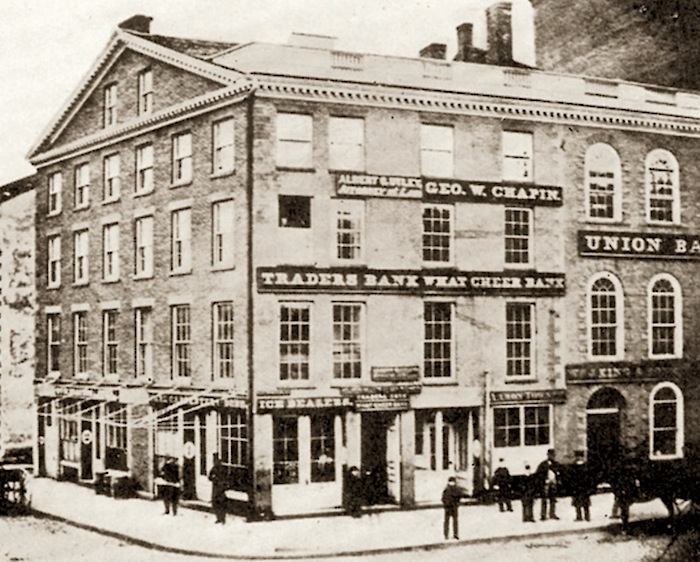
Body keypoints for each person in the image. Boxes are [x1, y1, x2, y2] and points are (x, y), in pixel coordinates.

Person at [536, 448, 560, 520]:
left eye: (553, 455)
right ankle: (543, 515)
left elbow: (559, 473)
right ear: (548, 455)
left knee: (553, 499)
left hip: (553, 483)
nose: (552, 456)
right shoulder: (543, 464)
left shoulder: (556, 464)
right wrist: (543, 481)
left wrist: (557, 480)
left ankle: (552, 513)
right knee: (544, 500)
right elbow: (539, 474)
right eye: (551, 455)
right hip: (545, 484)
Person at [570, 451, 592, 522]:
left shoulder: (573, 465)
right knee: (585, 502)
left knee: (577, 502)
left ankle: (579, 516)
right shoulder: (586, 465)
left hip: (576, 487)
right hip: (585, 487)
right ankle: (587, 516)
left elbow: (571, 477)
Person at [208, 453, 228, 524]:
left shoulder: (221, 468)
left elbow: (226, 477)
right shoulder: (214, 468)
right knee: (215, 503)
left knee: (221, 503)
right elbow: (209, 477)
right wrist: (213, 478)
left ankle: (222, 518)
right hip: (216, 488)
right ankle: (219, 518)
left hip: (220, 488)